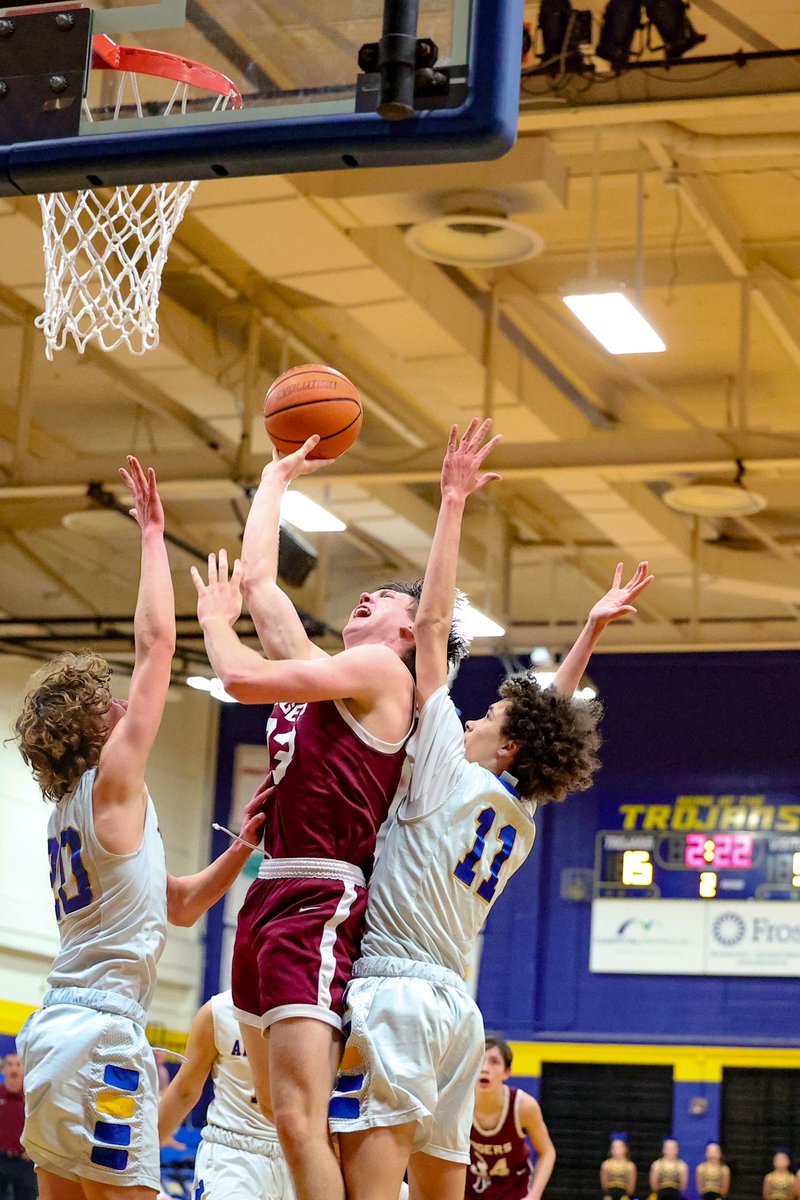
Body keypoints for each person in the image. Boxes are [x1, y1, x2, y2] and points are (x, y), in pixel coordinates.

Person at [329, 419, 654, 1200]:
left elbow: (433, 625)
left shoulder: (445, 761)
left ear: (506, 748)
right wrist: (589, 632)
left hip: (398, 995)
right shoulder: (519, 815)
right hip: (457, 1018)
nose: (473, 717)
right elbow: (548, 715)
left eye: (489, 721)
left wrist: (451, 502)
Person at [193, 433, 456, 1200]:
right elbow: (263, 581)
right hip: (267, 893)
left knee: (302, 1119)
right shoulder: (329, 679)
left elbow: (240, 675)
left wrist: (215, 622)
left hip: (320, 896)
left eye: (388, 600)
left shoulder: (380, 674)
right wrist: (272, 478)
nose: (366, 597)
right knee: (280, 1113)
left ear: (408, 633)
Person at [13, 457, 264, 1200]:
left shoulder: (76, 814)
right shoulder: (112, 782)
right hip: (101, 1035)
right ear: (88, 735)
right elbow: (157, 644)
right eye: (103, 703)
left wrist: (243, 847)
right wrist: (154, 534)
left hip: (53, 1034)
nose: (121, 704)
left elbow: (179, 905)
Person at [158, 990, 293, 1200]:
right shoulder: (219, 1011)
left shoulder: (321, 1010)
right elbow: (184, 1092)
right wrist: (140, 1154)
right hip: (233, 1154)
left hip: (298, 1152)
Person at [466, 1037, 555, 1199]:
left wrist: (534, 1195)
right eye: (480, 1060)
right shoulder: (459, 1104)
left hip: (514, 1188)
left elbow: (547, 1152)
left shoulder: (523, 1106)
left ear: (507, 1072)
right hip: (471, 1187)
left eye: (494, 1062)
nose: (485, 1068)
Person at [0, 1053, 36, 1200]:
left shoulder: (33, 1097)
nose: (14, 1068)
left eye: (18, 1064)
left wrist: (35, 1148)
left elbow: (43, 1125)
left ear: (24, 1069)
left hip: (25, 1161)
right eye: (9, 1064)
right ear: (3, 1070)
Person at [600, 1134, 636, 1200]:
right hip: (610, 1194)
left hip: (624, 1194)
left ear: (625, 1149)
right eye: (614, 1147)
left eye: (619, 1147)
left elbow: (631, 1186)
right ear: (611, 1149)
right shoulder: (606, 1165)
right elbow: (604, 1185)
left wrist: (627, 1195)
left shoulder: (630, 1166)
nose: (617, 1150)